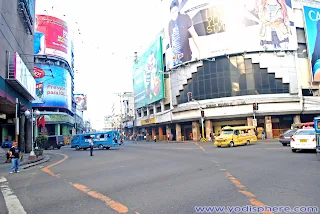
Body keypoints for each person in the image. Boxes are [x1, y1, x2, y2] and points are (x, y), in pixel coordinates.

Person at [168, 0, 200, 67]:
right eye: (172, 12)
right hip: (175, 61)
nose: (174, 14)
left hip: (186, 58)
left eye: (176, 11)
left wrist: (200, 51)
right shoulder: (170, 24)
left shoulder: (184, 18)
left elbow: (193, 34)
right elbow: (171, 44)